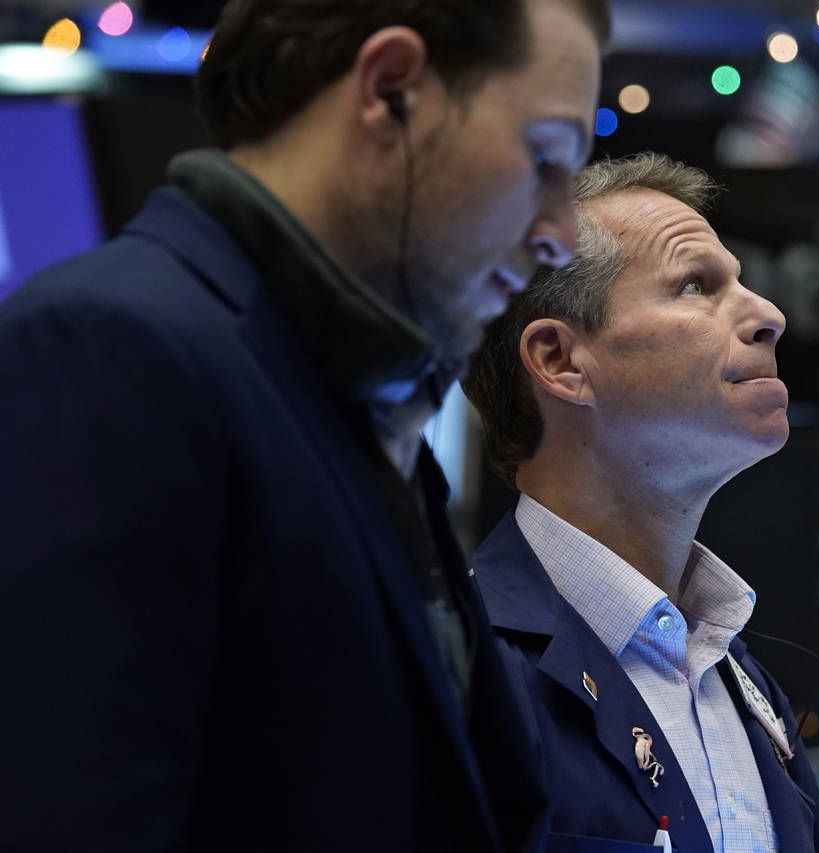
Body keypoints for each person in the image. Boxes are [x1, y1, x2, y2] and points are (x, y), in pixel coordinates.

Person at [0, 0, 606, 850]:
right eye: (544, 157)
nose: (560, 236)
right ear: (390, 88)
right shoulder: (111, 348)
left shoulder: (355, 395)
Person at [462, 152, 819, 853]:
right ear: (560, 361)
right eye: (697, 285)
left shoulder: (748, 689)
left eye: (743, 283)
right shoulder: (461, 670)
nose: (770, 316)